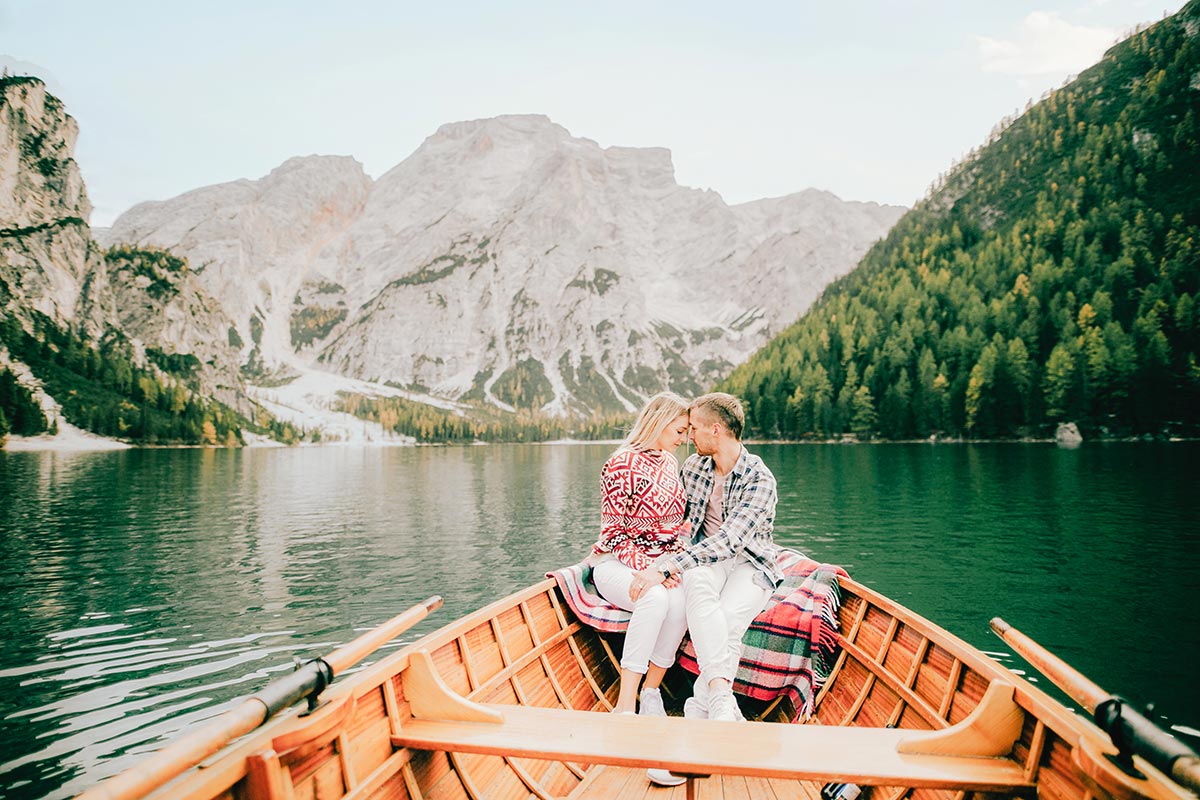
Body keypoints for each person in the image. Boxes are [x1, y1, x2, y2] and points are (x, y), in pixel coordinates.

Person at [630, 392, 782, 725]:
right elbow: (675, 519)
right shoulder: (694, 467)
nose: (688, 437)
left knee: (726, 619)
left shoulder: (760, 479)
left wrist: (669, 566)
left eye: (694, 428)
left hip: (750, 563)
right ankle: (720, 705)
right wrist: (643, 546)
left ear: (716, 430)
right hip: (706, 562)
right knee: (697, 583)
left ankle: (704, 703)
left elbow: (731, 540)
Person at [588, 391, 692, 719]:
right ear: (659, 423)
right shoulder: (621, 463)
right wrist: (651, 570)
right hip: (616, 563)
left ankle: (651, 692)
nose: (684, 438)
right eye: (679, 430)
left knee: (680, 602)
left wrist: (669, 566)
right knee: (655, 599)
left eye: (687, 431)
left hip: (659, 566)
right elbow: (613, 534)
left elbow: (676, 526)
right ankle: (624, 704)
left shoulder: (670, 461)